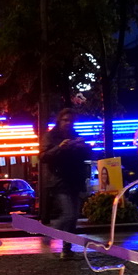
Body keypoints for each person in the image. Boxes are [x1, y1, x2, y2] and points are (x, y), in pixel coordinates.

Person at [40, 108, 93, 259]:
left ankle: (67, 249)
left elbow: (86, 156)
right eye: (65, 120)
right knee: (69, 214)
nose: (68, 123)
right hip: (59, 180)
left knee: (74, 216)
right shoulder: (51, 136)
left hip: (75, 179)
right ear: (59, 120)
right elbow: (43, 156)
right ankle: (50, 233)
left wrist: (84, 147)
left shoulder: (76, 136)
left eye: (71, 121)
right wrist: (59, 148)